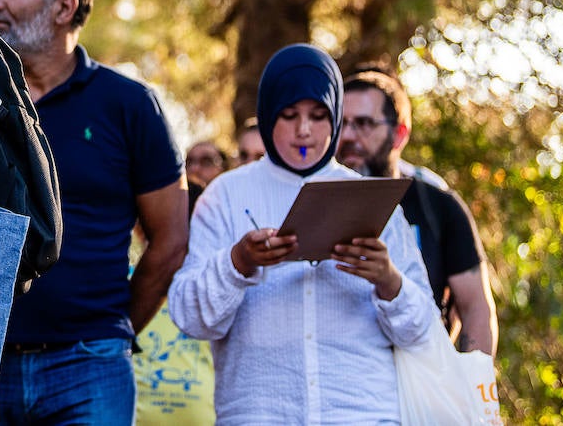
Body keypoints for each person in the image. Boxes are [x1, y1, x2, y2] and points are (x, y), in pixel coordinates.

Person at [168, 43, 434, 424]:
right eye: (289, 115)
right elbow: (190, 316)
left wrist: (388, 279)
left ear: (337, 116)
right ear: (267, 113)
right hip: (259, 412)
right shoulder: (225, 195)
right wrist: (238, 263)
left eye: (319, 115)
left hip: (362, 412)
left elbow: (422, 331)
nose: (304, 131)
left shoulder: (369, 195)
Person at [0, 0, 187, 426]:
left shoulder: (129, 105)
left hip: (89, 368)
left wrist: (110, 331)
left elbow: (171, 239)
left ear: (63, 7)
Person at [337, 67, 498, 355]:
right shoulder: (316, 204)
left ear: (399, 134)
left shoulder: (439, 207)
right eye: (342, 124)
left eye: (363, 124)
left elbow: (475, 308)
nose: (348, 136)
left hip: (422, 380)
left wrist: (476, 393)